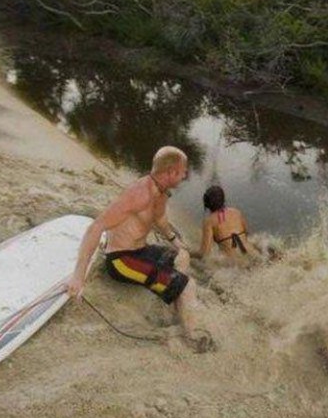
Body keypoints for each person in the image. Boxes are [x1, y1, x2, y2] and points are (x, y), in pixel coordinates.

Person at [67, 146, 213, 351]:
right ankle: (193, 339)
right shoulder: (139, 194)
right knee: (189, 286)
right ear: (171, 172)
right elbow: (96, 227)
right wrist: (78, 276)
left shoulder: (161, 193)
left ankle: (174, 297)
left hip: (140, 250)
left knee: (182, 256)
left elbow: (160, 220)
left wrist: (177, 242)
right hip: (121, 260)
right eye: (183, 171)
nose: (185, 175)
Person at [193, 185, 258, 259]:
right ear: (223, 199)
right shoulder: (236, 212)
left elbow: (204, 253)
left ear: (207, 203)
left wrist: (190, 253)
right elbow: (247, 234)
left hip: (235, 264)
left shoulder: (209, 221)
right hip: (252, 254)